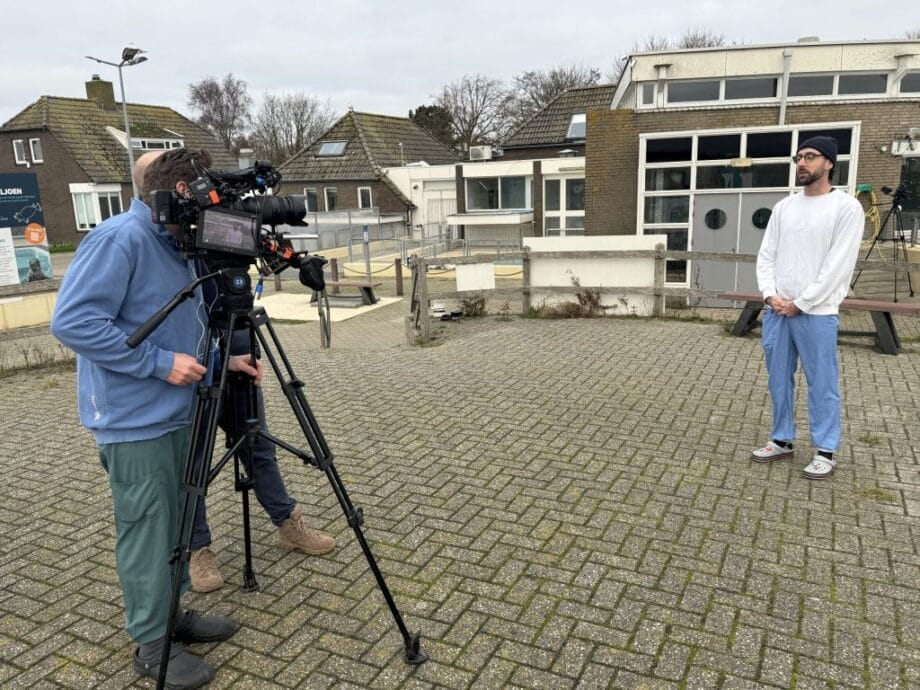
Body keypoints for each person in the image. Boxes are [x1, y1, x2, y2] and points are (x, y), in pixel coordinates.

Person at [51, 148, 246, 689]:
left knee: (176, 523)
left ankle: (171, 614)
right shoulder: (120, 239)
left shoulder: (176, 243)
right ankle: (150, 641)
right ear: (173, 197)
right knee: (146, 529)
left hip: (178, 413)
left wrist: (220, 362)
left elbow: (179, 328)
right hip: (135, 421)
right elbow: (73, 322)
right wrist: (159, 365)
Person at [131, 150, 336, 596]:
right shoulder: (153, 239)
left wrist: (298, 262)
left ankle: (287, 521)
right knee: (195, 453)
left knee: (256, 439)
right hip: (190, 353)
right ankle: (198, 548)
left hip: (237, 339)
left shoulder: (217, 214)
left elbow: (261, 243)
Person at [752, 135, 864, 480]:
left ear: (829, 162)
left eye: (810, 156)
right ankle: (782, 438)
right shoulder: (784, 208)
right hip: (777, 311)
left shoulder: (846, 208)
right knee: (778, 380)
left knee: (822, 382)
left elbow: (838, 265)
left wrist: (802, 303)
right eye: (798, 157)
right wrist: (770, 295)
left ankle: (825, 449)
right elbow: (766, 255)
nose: (802, 163)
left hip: (816, 313)